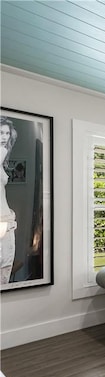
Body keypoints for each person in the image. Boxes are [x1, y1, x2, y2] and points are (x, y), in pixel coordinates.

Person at [1, 116, 18, 285]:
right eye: (0, 133)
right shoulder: (1, 152)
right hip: (3, 222)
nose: (4, 137)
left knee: (4, 271)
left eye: (6, 133)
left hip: (6, 222)